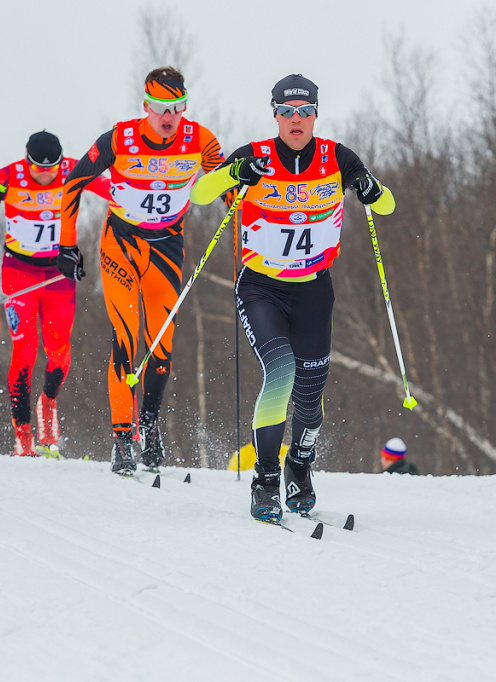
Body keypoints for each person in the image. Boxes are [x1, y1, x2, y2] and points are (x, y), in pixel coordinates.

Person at [190, 74, 396, 521]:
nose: (296, 119)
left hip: (314, 291)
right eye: (287, 111)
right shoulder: (255, 155)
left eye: (305, 111)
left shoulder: (338, 157)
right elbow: (201, 193)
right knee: (281, 373)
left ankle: (299, 468)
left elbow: (387, 206)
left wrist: (370, 189)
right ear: (276, 115)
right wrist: (232, 173)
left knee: (310, 393)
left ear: (316, 114)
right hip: (262, 287)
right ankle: (264, 481)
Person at [59, 66, 225, 475]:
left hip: (167, 248)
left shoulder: (200, 140)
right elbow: (73, 182)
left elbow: (227, 187)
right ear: (145, 106)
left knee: (161, 347)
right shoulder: (120, 138)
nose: (168, 117)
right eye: (160, 108)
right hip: (121, 244)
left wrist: (243, 233)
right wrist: (67, 244)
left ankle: (149, 429)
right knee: (124, 340)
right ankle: (122, 438)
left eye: (176, 107)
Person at [0, 131, 110, 456]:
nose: (45, 174)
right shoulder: (10, 175)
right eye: (38, 168)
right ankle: (23, 436)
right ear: (27, 161)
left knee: (59, 351)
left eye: (51, 168)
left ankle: (48, 401)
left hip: (58, 275)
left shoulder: (73, 170)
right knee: (25, 349)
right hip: (19, 274)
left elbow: (117, 194)